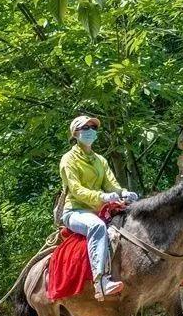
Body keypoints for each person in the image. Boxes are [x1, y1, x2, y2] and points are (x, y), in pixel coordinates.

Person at [58, 116, 139, 300]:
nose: (90, 131)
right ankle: (100, 282)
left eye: (93, 127)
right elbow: (76, 190)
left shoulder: (100, 160)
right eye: (85, 127)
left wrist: (123, 192)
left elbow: (111, 184)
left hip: (100, 209)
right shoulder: (68, 160)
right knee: (97, 226)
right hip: (76, 211)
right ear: (75, 133)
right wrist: (101, 196)